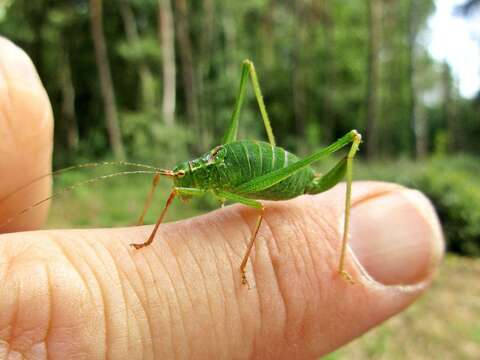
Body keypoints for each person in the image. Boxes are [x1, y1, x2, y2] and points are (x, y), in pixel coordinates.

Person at [0, 37, 444, 359]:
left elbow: (258, 216)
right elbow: (170, 186)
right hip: (241, 167)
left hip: (279, 180)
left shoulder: (227, 186)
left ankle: (343, 263)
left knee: (324, 139)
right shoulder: (191, 178)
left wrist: (246, 262)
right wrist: (143, 229)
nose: (178, 183)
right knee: (175, 180)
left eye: (182, 178)